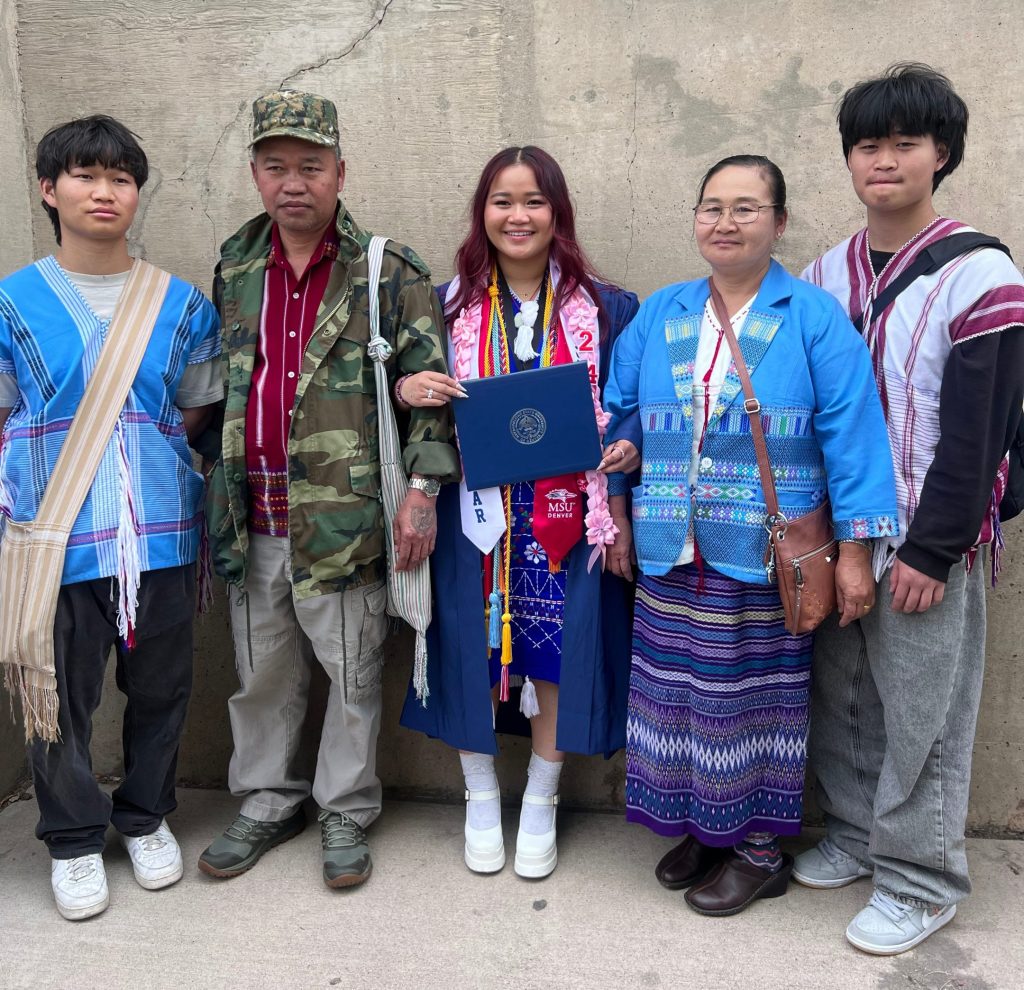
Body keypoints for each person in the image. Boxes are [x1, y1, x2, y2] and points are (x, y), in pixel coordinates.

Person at [602, 154, 897, 916]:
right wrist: (618, 495)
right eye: (711, 207)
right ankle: (705, 827)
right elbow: (618, 408)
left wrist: (858, 549)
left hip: (765, 553)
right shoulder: (661, 311)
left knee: (749, 701)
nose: (725, 223)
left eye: (745, 208)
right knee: (674, 698)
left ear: (779, 222)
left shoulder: (812, 317)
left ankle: (759, 849)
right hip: (671, 540)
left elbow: (853, 432)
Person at [197, 91, 460, 889]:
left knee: (351, 674)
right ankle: (269, 799)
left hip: (345, 517)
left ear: (340, 171)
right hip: (256, 512)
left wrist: (422, 491)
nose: (293, 183)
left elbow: (432, 388)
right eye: (275, 167)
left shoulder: (387, 267)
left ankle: (345, 807)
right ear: (254, 174)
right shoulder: (237, 264)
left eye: (311, 166)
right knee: (263, 673)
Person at [798, 63, 1024, 954]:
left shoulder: (982, 275)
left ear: (943, 155)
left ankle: (923, 879)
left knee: (924, 712)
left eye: (904, 143)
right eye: (867, 145)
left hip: (928, 539)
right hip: (845, 534)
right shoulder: (825, 274)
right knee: (846, 695)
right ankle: (856, 836)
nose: (884, 160)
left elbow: (984, 430)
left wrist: (934, 550)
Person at [0, 115, 221, 920]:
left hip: (159, 530)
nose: (104, 192)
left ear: (137, 194)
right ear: (48, 188)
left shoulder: (183, 304)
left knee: (163, 687)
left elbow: (197, 413)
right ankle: (71, 837)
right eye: (86, 176)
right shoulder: (9, 303)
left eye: (121, 178)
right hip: (54, 538)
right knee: (55, 694)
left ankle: (146, 815)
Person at [398, 146, 640, 878]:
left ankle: (541, 796)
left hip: (570, 514)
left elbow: (632, 404)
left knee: (558, 649)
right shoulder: (442, 308)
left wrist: (626, 446)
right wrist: (408, 390)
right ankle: (479, 796)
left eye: (534, 200)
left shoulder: (607, 307)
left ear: (557, 212)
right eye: (502, 200)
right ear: (483, 213)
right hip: (473, 514)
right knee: (470, 644)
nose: (518, 215)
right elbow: (397, 398)